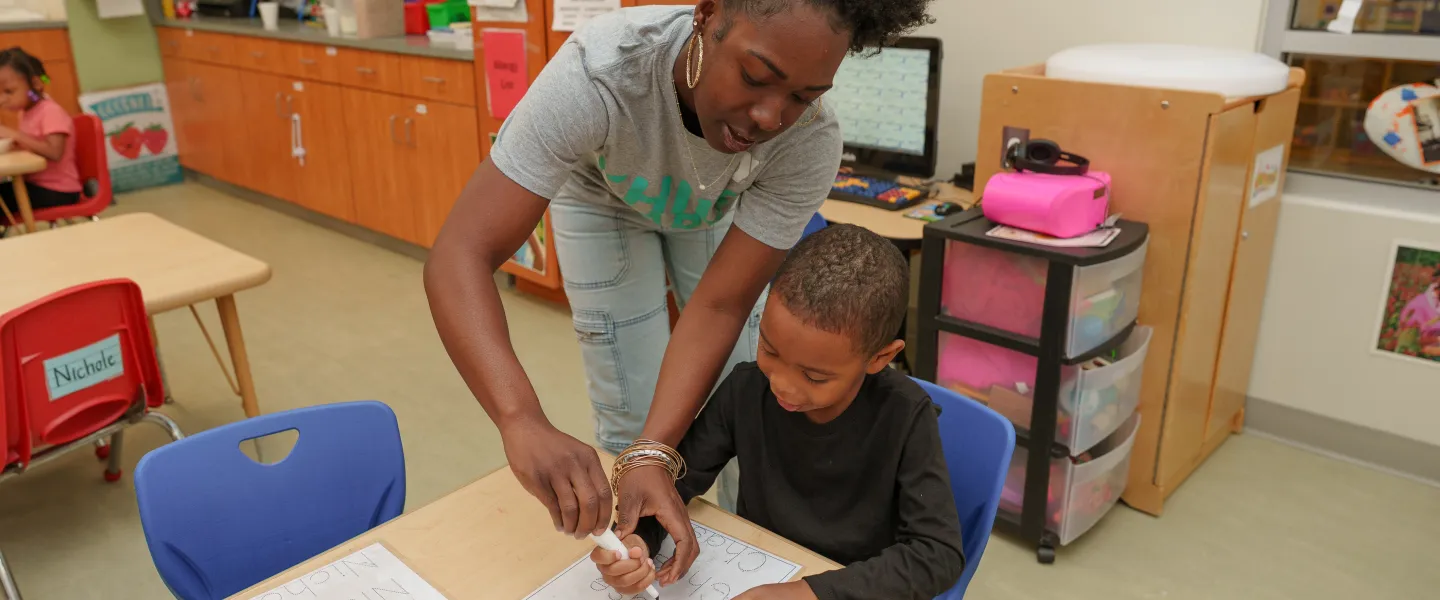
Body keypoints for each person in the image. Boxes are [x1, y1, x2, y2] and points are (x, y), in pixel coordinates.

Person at [424, 0, 934, 582]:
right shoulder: (600, 74)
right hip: (601, 196)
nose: (770, 116)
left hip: (716, 203)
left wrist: (657, 453)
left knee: (741, 390)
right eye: (754, 76)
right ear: (708, 14)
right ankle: (635, 553)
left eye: (803, 97)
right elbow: (460, 255)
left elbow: (719, 303)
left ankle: (739, 561)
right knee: (630, 418)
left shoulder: (806, 143)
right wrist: (521, 418)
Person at [590, 224, 965, 600]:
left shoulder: (905, 417)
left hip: (847, 586)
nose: (782, 385)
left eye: (814, 377)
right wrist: (638, 544)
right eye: (769, 350)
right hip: (759, 566)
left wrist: (806, 594)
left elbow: (937, 555)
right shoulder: (746, 389)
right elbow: (673, 483)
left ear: (880, 358)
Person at [0, 47, 80, 222]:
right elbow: (33, 144)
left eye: (8, 91)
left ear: (35, 84)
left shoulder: (50, 111)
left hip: (59, 191)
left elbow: (54, 152)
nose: (2, 99)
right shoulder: (26, 112)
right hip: (35, 185)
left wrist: (16, 135)